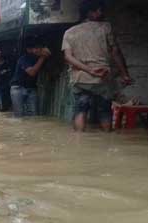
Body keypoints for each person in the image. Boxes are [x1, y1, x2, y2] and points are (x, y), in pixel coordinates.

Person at [62, 0, 133, 132]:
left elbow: (68, 57)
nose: (101, 12)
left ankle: (78, 142)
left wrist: (88, 70)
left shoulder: (69, 32)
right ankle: (107, 139)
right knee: (105, 111)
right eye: (98, 10)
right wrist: (124, 74)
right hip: (102, 77)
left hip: (80, 79)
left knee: (80, 109)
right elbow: (115, 52)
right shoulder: (106, 27)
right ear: (91, 13)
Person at [10, 38, 51, 117]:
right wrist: (43, 57)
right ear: (29, 50)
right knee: (18, 115)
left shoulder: (39, 59)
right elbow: (32, 72)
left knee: (34, 116)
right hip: (18, 88)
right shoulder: (23, 59)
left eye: (40, 48)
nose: (39, 50)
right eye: (36, 48)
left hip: (32, 88)